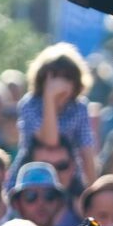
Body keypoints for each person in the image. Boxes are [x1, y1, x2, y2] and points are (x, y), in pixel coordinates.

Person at [17, 42, 98, 189]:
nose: (59, 85)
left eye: (66, 78)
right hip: (31, 175)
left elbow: (86, 149)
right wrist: (50, 98)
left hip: (68, 175)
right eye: (54, 78)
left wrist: (93, 190)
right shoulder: (30, 104)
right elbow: (50, 141)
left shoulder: (79, 107)